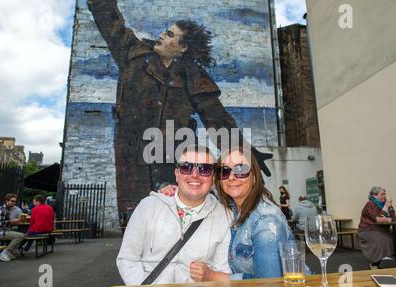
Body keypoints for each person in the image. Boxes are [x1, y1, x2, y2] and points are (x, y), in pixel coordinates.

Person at [87, 0, 272, 222]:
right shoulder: (131, 53)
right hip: (132, 153)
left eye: (169, 34)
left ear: (182, 47)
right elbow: (109, 20)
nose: (161, 36)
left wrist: (243, 154)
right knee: (135, 216)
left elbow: (216, 118)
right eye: (165, 32)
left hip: (172, 158)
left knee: (175, 220)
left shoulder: (191, 75)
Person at [160, 148, 297, 280]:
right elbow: (200, 191)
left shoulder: (265, 223)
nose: (231, 177)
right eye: (224, 171)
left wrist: (213, 276)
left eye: (241, 170)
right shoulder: (232, 207)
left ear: (254, 177)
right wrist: (173, 190)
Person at [116, 145, 231, 285]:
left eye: (204, 169)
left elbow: (222, 268)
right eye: (186, 167)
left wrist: (209, 277)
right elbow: (127, 258)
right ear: (177, 174)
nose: (195, 174)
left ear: (213, 178)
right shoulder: (148, 207)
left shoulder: (225, 217)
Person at [358, 186, 396, 269]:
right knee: (382, 240)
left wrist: (388, 217)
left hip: (380, 229)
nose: (384, 196)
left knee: (395, 239)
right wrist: (386, 207)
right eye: (382, 194)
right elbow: (379, 219)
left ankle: (395, 262)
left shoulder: (386, 204)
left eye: (385, 194)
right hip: (368, 229)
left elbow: (394, 218)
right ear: (374, 196)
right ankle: (374, 262)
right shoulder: (370, 204)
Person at [0, 194, 26, 262]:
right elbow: (0, 223)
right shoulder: (2, 209)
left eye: (15, 201)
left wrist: (14, 221)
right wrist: (13, 221)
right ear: (6, 201)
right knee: (21, 236)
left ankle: (8, 252)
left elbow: (6, 221)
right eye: (12, 201)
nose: (14, 203)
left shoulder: (6, 209)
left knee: (20, 234)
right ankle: (5, 252)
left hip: (2, 231)